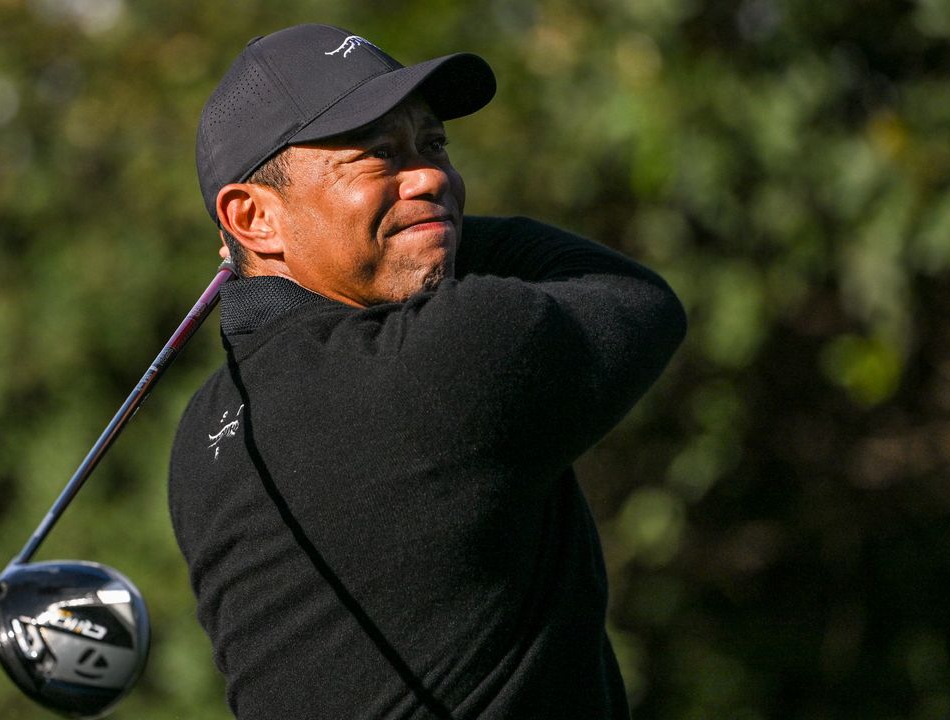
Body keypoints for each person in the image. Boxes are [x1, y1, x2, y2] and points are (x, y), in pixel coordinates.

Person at [169, 23, 686, 720]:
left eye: (433, 145)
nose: (432, 176)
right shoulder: (459, 356)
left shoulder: (204, 437)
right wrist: (430, 227)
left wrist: (401, 227)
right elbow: (636, 296)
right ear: (254, 216)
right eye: (378, 155)